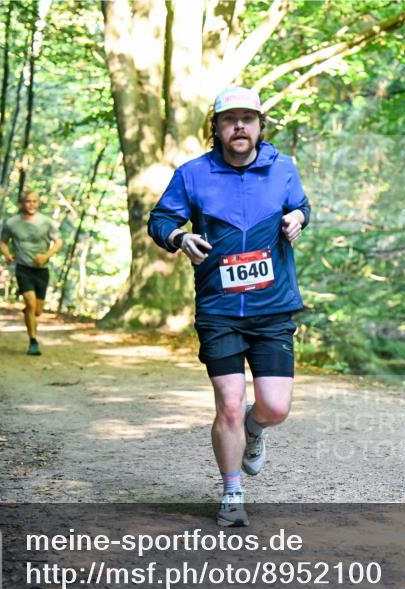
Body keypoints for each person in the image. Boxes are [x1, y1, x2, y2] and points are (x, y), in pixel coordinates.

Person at [148, 86, 310, 527]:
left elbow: (300, 206)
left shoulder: (283, 168)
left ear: (260, 126)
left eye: (247, 119)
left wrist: (298, 218)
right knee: (231, 403)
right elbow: (161, 219)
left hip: (272, 307)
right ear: (216, 128)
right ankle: (232, 491)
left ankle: (255, 432)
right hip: (219, 309)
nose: (239, 126)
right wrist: (179, 237)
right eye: (229, 119)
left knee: (274, 407)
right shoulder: (193, 174)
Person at [0, 191, 62, 356]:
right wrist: (7, 254)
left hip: (42, 270)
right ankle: (33, 341)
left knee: (37, 311)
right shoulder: (12, 223)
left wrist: (45, 256)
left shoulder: (46, 222)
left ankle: (29, 312)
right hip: (23, 268)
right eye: (28, 201)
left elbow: (58, 242)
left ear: (38, 203)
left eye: (34, 201)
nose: (31, 204)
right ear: (21, 204)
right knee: (31, 303)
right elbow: (3, 242)